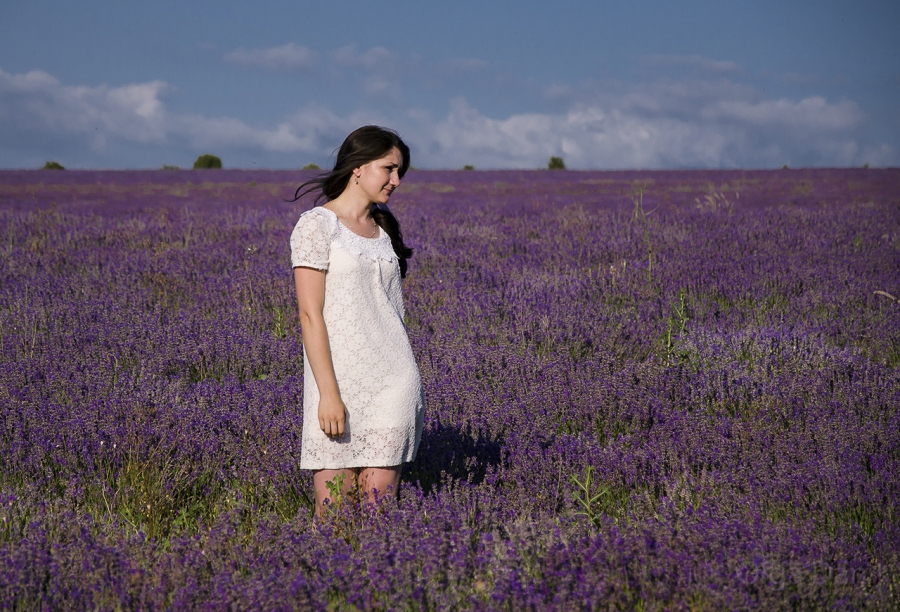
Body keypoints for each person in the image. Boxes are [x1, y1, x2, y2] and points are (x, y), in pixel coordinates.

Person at [289, 126, 424, 516]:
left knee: (377, 514)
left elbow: (392, 313)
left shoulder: (384, 231)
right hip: (336, 381)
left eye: (400, 172)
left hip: (393, 381)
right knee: (332, 515)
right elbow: (309, 314)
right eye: (389, 169)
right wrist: (328, 394)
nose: (396, 181)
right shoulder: (317, 225)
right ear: (359, 167)